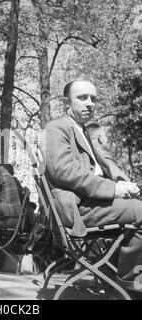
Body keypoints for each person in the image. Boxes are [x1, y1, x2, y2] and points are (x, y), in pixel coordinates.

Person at [42, 79, 142, 294]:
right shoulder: (56, 128)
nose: (90, 103)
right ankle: (129, 284)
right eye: (82, 97)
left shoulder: (86, 132)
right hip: (79, 208)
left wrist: (122, 184)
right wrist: (114, 189)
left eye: (93, 99)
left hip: (95, 201)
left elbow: (102, 167)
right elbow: (62, 171)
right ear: (66, 101)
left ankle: (112, 274)